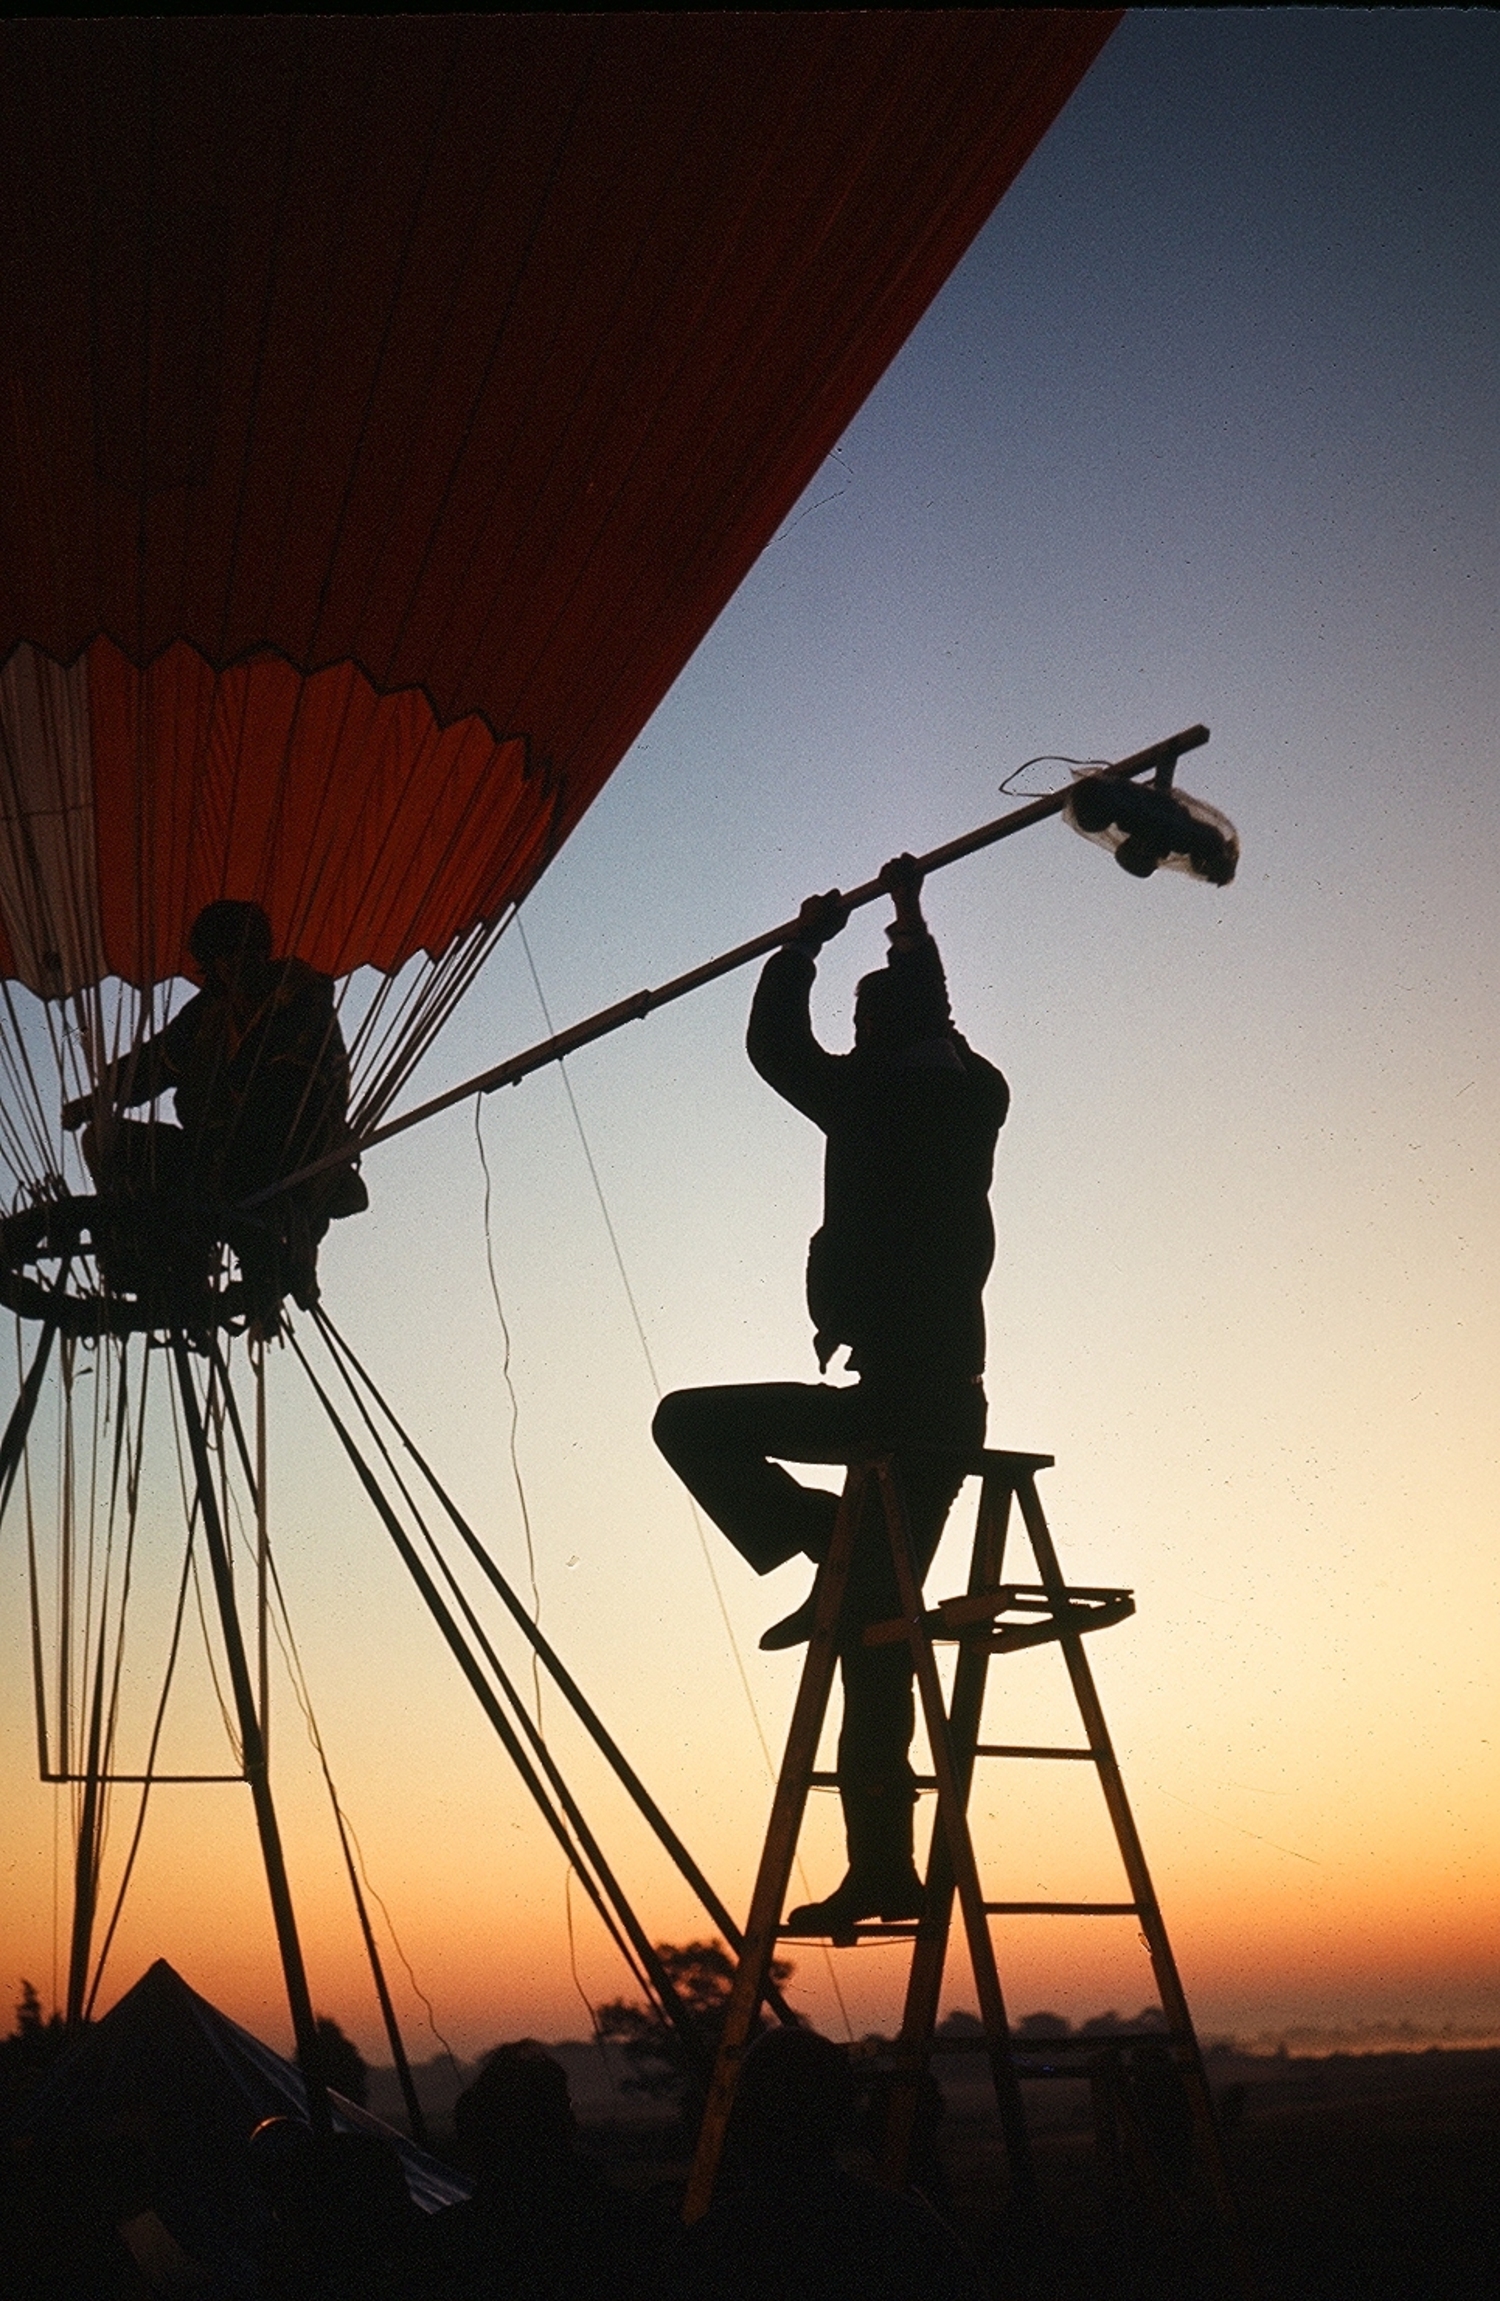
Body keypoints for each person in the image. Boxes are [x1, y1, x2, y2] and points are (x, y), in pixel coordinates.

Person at [653, 858, 1008, 1935]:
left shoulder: (869, 1096)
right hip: (941, 1406)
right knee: (871, 1636)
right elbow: (933, 1013)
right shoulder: (975, 1090)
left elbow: (775, 1048)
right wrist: (905, 924)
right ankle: (884, 1865)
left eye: (862, 1020)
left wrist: (803, 943)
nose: (848, 1039)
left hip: (891, 1411)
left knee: (690, 1425)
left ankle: (826, 1538)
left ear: (880, 1034)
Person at [61, 900, 364, 1323]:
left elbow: (289, 1093)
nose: (239, 964)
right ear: (214, 965)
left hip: (284, 1160)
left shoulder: (300, 995)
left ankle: (240, 1248)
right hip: (216, 1161)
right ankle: (146, 1256)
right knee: (103, 1140)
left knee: (239, 1164)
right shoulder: (207, 1016)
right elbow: (153, 1063)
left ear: (263, 951)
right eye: (227, 956)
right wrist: (97, 1099)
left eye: (248, 951)